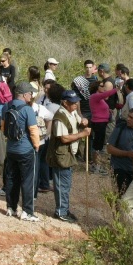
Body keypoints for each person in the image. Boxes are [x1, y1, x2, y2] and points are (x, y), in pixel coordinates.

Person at [3, 83, 43, 221]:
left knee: (11, 178)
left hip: (11, 149)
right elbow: (33, 130)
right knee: (28, 180)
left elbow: (4, 127)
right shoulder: (27, 109)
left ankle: (11, 207)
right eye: (30, 93)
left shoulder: (6, 106)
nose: (31, 96)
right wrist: (36, 145)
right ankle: (27, 211)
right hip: (25, 150)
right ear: (25, 95)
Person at [48, 90, 88, 224]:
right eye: (73, 102)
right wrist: (82, 134)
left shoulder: (72, 111)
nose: (76, 104)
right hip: (61, 155)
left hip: (69, 154)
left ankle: (64, 209)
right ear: (65, 103)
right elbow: (64, 138)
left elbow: (79, 120)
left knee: (66, 184)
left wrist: (83, 121)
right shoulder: (59, 118)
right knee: (61, 184)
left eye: (76, 102)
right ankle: (60, 211)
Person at [105, 108, 133, 197]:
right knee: (121, 195)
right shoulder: (120, 128)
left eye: (131, 117)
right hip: (119, 167)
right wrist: (127, 153)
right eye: (128, 116)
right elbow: (109, 148)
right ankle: (118, 210)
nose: (128, 119)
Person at [86, 79, 113, 175]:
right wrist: (116, 89)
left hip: (102, 123)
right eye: (101, 86)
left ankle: (97, 165)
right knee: (97, 145)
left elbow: (99, 108)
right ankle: (97, 166)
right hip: (98, 123)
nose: (103, 87)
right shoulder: (95, 96)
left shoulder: (98, 98)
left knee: (99, 144)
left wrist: (108, 111)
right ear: (96, 87)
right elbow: (105, 95)